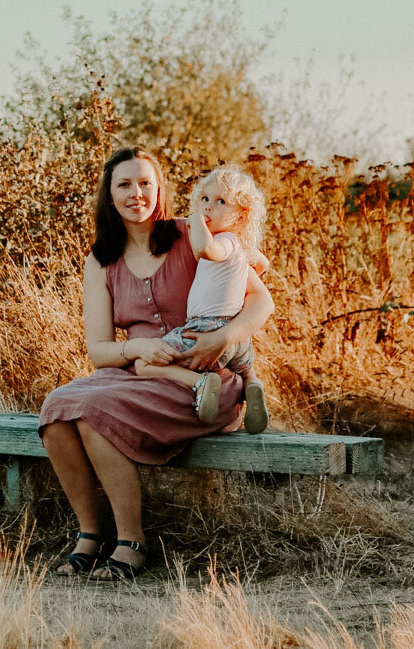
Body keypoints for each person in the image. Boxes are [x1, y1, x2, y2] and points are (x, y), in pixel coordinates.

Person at [38, 146, 275, 582]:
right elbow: (100, 351)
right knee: (57, 408)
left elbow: (261, 300)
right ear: (109, 196)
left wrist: (223, 337)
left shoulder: (193, 235)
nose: (137, 193)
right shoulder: (100, 261)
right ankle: (90, 535)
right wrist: (137, 350)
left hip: (203, 381)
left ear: (160, 189)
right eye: (124, 184)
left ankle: (131, 541)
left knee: (93, 414)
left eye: (146, 182)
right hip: (134, 372)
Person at [133, 164, 270, 435]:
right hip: (238, 337)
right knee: (245, 371)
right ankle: (252, 385)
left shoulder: (225, 242)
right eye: (205, 199)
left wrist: (196, 221)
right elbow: (263, 263)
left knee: (142, 364)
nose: (208, 206)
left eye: (221, 202)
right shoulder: (239, 247)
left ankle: (199, 383)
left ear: (241, 217)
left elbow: (204, 250)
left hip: (204, 329)